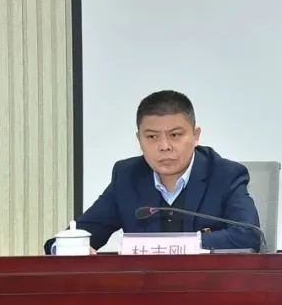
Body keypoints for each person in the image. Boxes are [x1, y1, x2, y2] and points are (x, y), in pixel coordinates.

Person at [45, 90, 261, 253]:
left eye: (175, 135)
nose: (164, 146)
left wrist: (176, 246)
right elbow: (77, 236)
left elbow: (249, 236)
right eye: (152, 137)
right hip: (145, 293)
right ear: (139, 139)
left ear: (196, 136)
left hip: (207, 291)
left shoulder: (225, 175)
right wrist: (66, 248)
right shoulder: (127, 177)